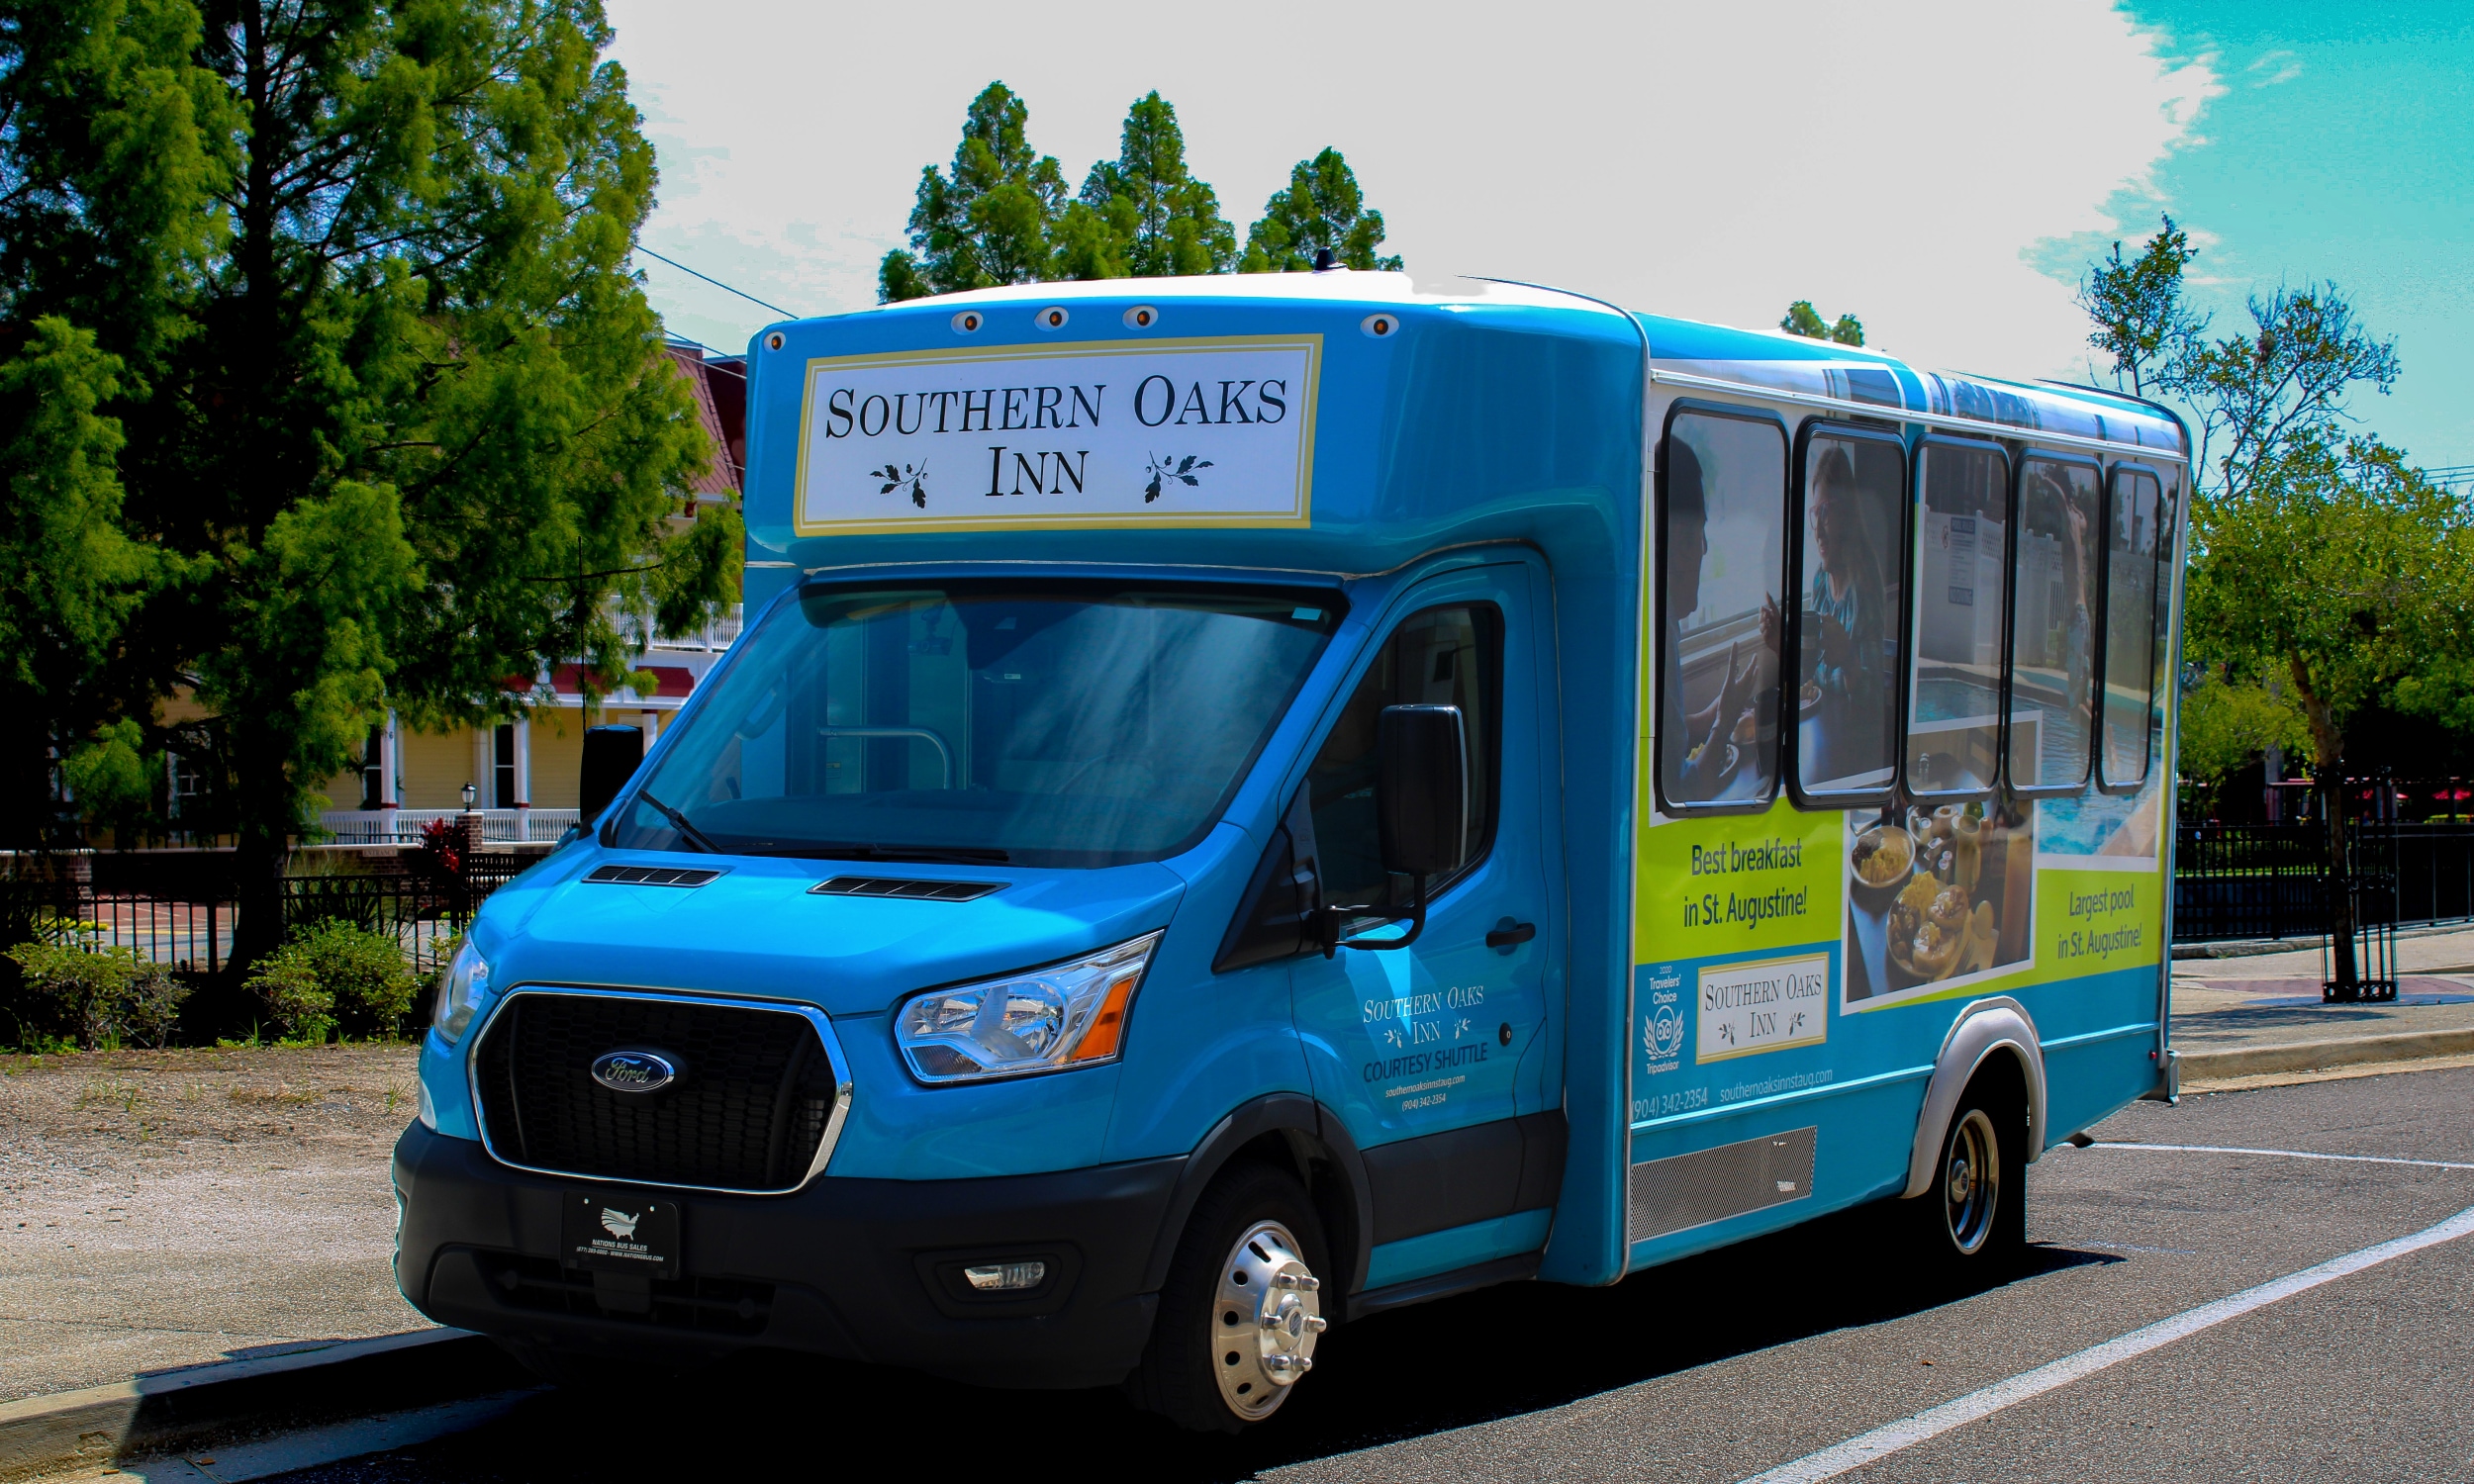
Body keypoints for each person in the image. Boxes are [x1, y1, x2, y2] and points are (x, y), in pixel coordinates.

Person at [1664, 440, 1773, 802]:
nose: (1705, 549)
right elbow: (1683, 790)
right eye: (1699, 532)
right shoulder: (1655, 634)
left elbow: (1668, 735)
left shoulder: (1663, 616)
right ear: (1677, 540)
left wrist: (1717, 710)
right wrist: (1724, 724)